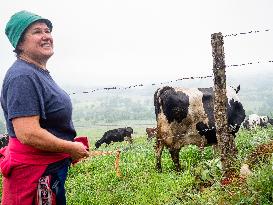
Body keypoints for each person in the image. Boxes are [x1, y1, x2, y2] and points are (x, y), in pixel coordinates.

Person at [0, 10, 90, 205]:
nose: (46, 36)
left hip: (47, 169)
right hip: (35, 174)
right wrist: (71, 147)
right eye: (37, 31)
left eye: (47, 30)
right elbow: (28, 133)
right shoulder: (22, 77)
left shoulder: (35, 71)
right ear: (20, 43)